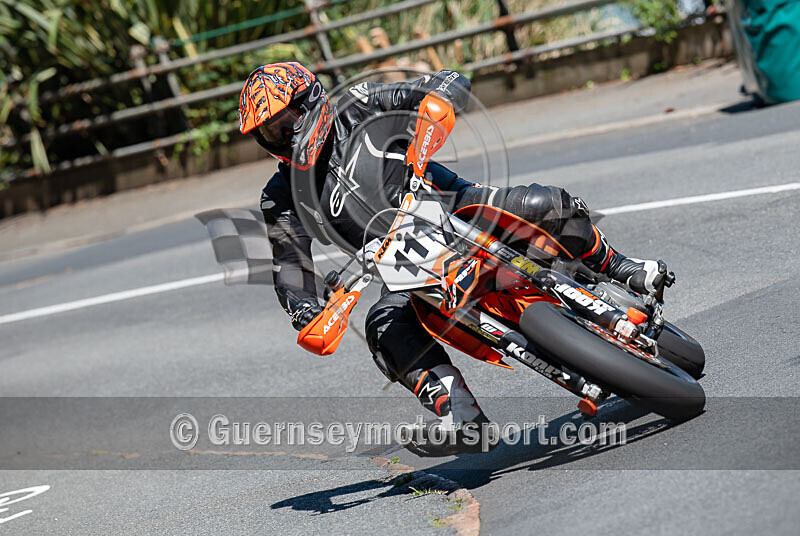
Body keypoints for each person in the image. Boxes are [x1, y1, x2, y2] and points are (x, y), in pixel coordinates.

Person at [239, 63, 669, 456]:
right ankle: (462, 416)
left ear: (309, 102)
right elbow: (289, 262)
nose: (283, 137)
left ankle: (620, 267)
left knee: (542, 203)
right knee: (383, 327)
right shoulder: (280, 195)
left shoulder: (361, 104)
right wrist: (306, 310)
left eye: (284, 123)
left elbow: (445, 81)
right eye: (269, 134)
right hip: (399, 262)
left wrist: (435, 105)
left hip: (456, 206)